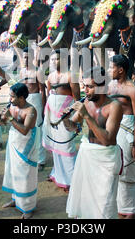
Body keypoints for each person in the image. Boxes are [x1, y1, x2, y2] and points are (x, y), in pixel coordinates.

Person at [64, 66, 123, 219]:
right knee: (86, 200)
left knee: (105, 202)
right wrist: (65, 119)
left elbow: (108, 140)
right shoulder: (87, 103)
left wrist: (86, 116)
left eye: (90, 86)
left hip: (106, 157)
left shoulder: (114, 106)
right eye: (84, 86)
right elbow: (73, 128)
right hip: (88, 156)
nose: (85, 90)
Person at [108, 55, 135, 219]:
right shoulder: (110, 86)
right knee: (114, 168)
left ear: (121, 70)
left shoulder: (133, 90)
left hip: (127, 129)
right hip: (112, 128)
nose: (110, 70)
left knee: (127, 169)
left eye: (112, 67)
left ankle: (129, 210)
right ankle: (119, 205)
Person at [0, 83, 39, 219]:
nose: (10, 99)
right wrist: (1, 119)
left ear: (21, 97)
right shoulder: (12, 106)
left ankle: (28, 208)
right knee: (13, 171)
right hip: (13, 143)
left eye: (12, 96)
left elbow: (24, 130)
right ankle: (15, 199)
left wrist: (10, 118)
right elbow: (4, 123)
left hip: (26, 146)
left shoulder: (31, 110)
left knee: (25, 174)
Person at [42, 49, 80, 191]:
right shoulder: (50, 77)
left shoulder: (71, 76)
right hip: (52, 115)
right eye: (52, 60)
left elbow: (77, 99)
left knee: (66, 146)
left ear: (64, 60)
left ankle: (71, 180)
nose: (53, 62)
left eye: (56, 59)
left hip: (66, 116)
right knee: (55, 146)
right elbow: (49, 94)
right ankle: (57, 174)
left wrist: (77, 120)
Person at [20, 47, 47, 171]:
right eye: (24, 57)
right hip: (24, 101)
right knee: (25, 128)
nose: (25, 59)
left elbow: (42, 90)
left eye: (28, 57)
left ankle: (41, 160)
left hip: (35, 100)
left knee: (37, 129)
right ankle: (28, 155)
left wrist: (43, 108)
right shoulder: (22, 72)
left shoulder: (38, 71)